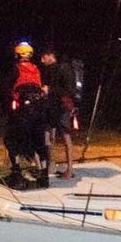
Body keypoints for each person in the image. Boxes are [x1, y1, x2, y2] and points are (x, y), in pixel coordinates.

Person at [3, 41, 50, 189]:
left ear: (17, 55)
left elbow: (6, 88)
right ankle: (44, 176)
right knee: (39, 143)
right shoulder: (37, 69)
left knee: (12, 140)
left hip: (22, 112)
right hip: (39, 111)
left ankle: (16, 174)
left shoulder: (16, 69)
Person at [39, 48, 82, 179]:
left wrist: (50, 89)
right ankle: (51, 164)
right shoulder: (49, 70)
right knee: (47, 135)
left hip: (62, 107)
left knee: (65, 136)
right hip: (51, 106)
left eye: (44, 57)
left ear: (50, 55)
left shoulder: (64, 68)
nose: (42, 60)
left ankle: (69, 169)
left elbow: (69, 90)